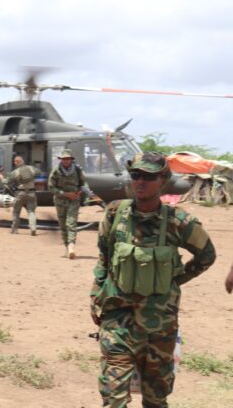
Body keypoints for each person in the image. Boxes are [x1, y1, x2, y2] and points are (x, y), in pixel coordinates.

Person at [90, 151, 216, 408]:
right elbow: (104, 257)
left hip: (160, 326)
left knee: (156, 398)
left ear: (163, 180)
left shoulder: (179, 222)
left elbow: (207, 256)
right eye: (136, 175)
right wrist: (96, 295)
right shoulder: (115, 214)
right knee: (113, 398)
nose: (141, 182)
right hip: (118, 320)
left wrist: (174, 279)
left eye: (149, 176)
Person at [48, 149, 90, 258]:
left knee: (71, 223)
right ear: (61, 160)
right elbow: (51, 187)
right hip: (60, 200)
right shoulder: (56, 171)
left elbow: (84, 183)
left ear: (71, 159)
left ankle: (71, 246)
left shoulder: (77, 170)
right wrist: (65, 194)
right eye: (64, 159)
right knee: (62, 225)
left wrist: (81, 192)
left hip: (74, 200)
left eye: (68, 159)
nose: (66, 161)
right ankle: (67, 247)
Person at [2, 155, 41, 235]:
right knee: (31, 211)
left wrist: (1, 178)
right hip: (31, 193)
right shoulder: (31, 168)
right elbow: (39, 172)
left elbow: (7, 182)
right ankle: (33, 228)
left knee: (16, 212)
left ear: (16, 162)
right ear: (23, 161)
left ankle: (14, 230)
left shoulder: (15, 172)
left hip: (20, 193)